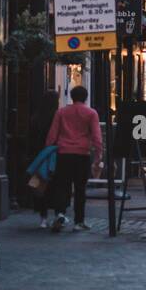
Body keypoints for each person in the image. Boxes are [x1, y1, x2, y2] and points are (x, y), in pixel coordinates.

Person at [45, 86, 102, 232]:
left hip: (63, 154)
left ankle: (60, 214)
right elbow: (97, 137)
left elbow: (52, 134)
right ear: (86, 97)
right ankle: (79, 221)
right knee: (80, 189)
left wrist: (48, 151)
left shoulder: (61, 112)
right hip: (82, 154)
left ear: (71, 97)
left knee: (62, 186)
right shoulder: (91, 113)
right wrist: (98, 156)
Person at [29, 89, 59, 229]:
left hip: (39, 155)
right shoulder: (57, 117)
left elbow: (31, 138)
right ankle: (59, 214)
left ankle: (43, 217)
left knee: (40, 185)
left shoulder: (36, 117)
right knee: (57, 186)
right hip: (55, 155)